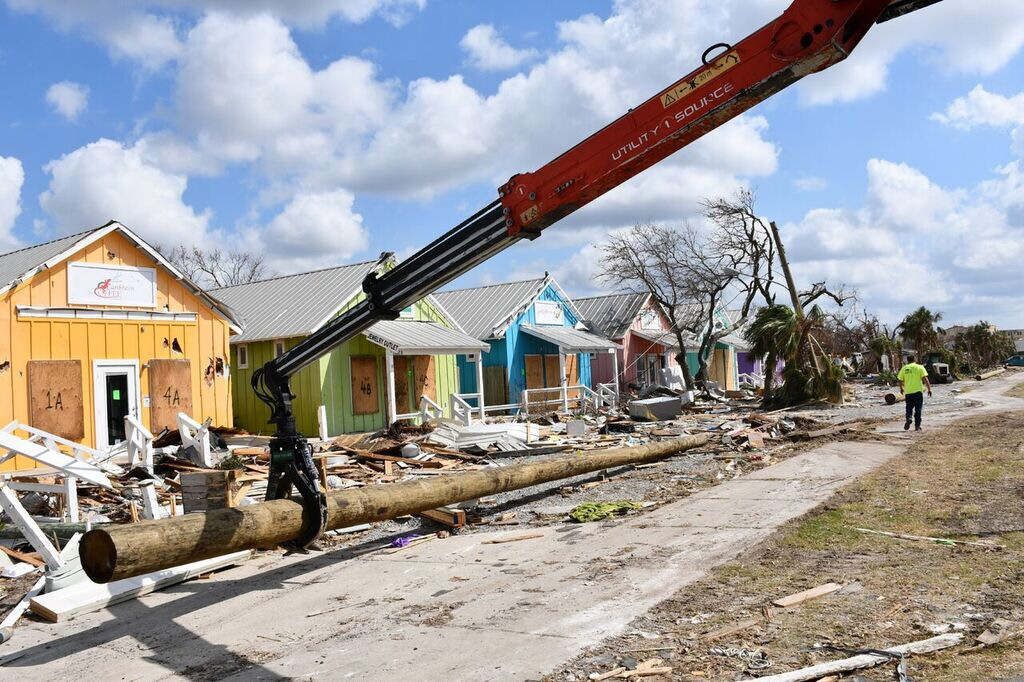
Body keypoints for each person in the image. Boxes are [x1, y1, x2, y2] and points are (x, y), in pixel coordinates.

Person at [897, 354, 932, 431]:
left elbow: (899, 379)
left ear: (907, 360)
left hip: (908, 392)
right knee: (918, 409)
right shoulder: (920, 367)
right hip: (918, 392)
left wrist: (901, 388)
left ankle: (909, 418)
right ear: (914, 360)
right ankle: (917, 426)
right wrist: (929, 389)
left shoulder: (904, 368)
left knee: (909, 407)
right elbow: (925, 379)